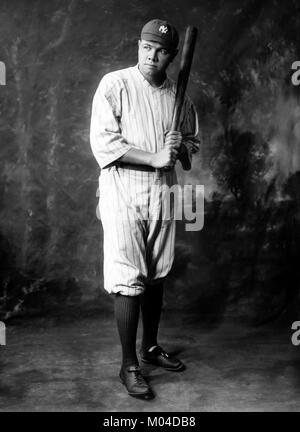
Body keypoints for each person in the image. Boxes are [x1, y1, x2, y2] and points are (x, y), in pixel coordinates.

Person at [90, 18, 200, 399]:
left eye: (162, 51)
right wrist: (154, 156)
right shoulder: (115, 84)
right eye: (147, 47)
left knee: (156, 272)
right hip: (122, 191)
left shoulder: (179, 97)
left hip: (161, 193)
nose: (152, 56)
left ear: (172, 56)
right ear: (138, 45)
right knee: (127, 274)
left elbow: (189, 149)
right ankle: (129, 364)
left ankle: (150, 348)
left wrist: (180, 148)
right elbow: (105, 144)